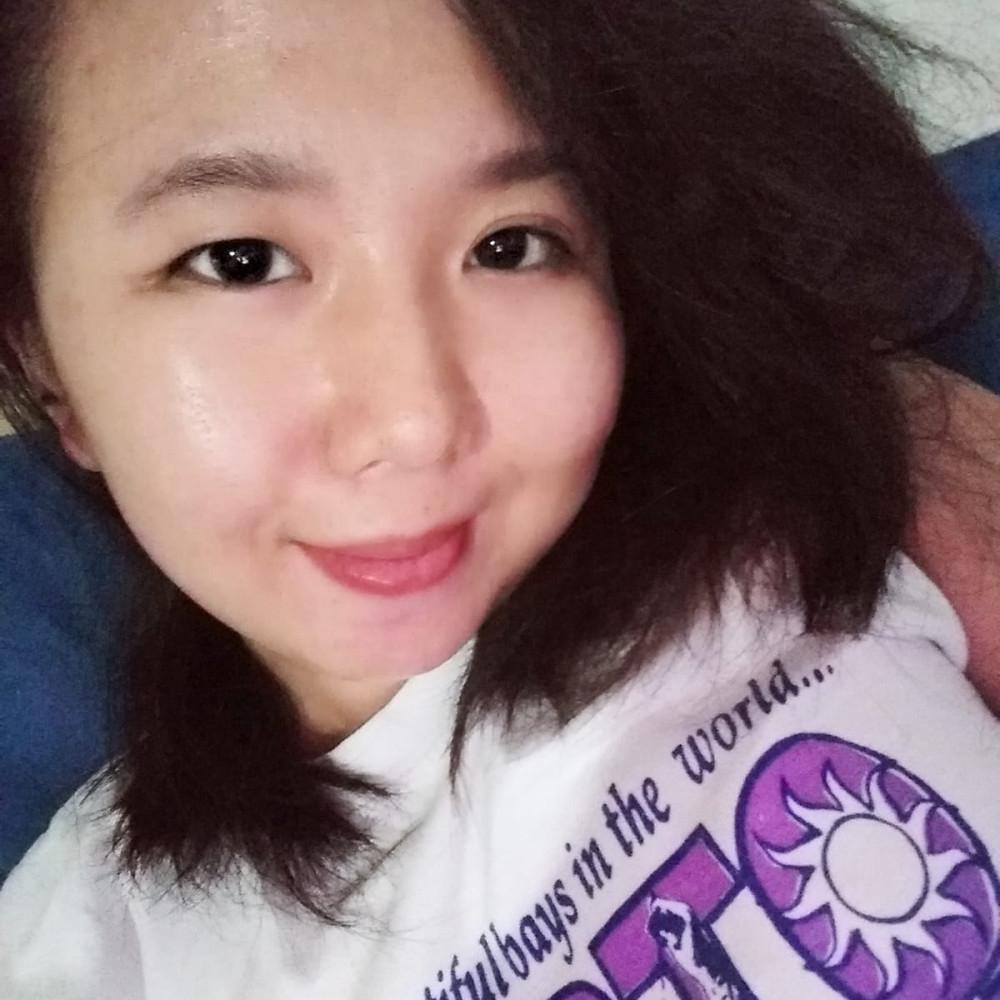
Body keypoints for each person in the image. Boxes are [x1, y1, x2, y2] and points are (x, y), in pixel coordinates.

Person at [0, 0, 998, 997]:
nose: (416, 422)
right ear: (45, 359)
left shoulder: (816, 473)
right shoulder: (102, 952)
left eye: (510, 245)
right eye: (240, 261)